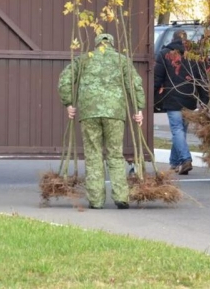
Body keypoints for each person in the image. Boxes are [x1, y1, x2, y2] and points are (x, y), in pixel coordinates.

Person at [58, 33, 145, 210]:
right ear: (112, 44)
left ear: (96, 44)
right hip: (115, 113)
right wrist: (138, 109)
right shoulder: (122, 60)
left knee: (93, 154)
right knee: (115, 153)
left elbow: (65, 79)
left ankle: (96, 200)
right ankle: (121, 197)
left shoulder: (83, 60)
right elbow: (134, 84)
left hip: (89, 113)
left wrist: (68, 103)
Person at [154, 30, 209, 175]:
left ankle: (185, 159)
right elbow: (201, 80)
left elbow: (157, 79)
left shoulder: (164, 54)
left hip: (172, 98)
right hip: (189, 99)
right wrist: (204, 100)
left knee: (177, 130)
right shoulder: (193, 57)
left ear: (172, 39)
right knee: (181, 131)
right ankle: (174, 163)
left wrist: (152, 98)